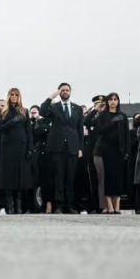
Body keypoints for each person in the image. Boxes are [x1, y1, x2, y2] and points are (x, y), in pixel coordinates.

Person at [39, 83, 83, 213]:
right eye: (62, 90)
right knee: (58, 177)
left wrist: (80, 148)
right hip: (57, 148)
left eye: (67, 90)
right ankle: (59, 205)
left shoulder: (77, 108)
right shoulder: (54, 107)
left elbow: (80, 129)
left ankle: (69, 205)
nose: (65, 92)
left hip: (72, 148)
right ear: (59, 92)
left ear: (70, 92)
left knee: (70, 178)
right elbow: (42, 111)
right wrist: (51, 97)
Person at [0, 88, 34, 214]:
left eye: (16, 95)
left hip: (22, 147)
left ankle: (19, 206)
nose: (14, 96)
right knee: (8, 176)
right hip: (7, 147)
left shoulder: (24, 111)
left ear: (19, 96)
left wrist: (30, 148)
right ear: (9, 96)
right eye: (12, 94)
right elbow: (0, 128)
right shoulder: (4, 111)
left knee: (21, 176)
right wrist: (13, 121)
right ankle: (10, 206)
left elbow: (29, 131)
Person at [96, 92, 128, 214]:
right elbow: (100, 130)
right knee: (108, 177)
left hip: (119, 150)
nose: (113, 101)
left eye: (115, 99)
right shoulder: (103, 115)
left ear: (118, 101)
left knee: (118, 178)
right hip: (106, 150)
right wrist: (112, 122)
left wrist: (127, 151)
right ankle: (109, 204)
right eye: (110, 99)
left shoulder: (123, 116)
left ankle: (117, 205)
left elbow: (126, 135)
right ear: (107, 102)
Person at [86, 94, 106, 214]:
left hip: (104, 151)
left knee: (103, 179)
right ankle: (94, 205)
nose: (100, 106)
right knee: (93, 179)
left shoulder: (107, 115)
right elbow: (86, 121)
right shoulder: (92, 115)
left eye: (102, 104)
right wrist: (94, 110)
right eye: (98, 104)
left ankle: (104, 205)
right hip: (92, 151)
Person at [31, 105, 53, 213]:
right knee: (39, 180)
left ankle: (50, 204)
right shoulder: (38, 122)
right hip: (40, 154)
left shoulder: (54, 120)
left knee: (51, 180)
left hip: (52, 153)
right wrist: (48, 128)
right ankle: (40, 205)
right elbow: (37, 131)